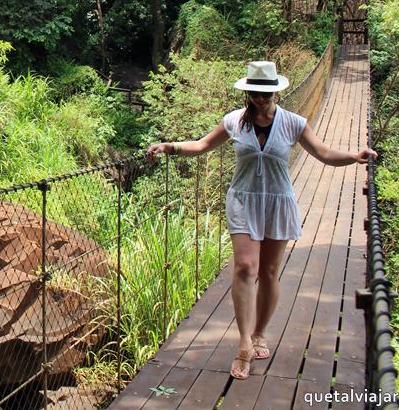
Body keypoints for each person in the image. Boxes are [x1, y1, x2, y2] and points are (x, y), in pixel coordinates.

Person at [146, 60, 377, 380]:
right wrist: (169, 147)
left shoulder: (294, 123)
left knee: (269, 272)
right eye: (255, 92)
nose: (260, 98)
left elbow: (323, 154)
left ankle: (259, 333)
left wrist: (354, 156)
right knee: (245, 267)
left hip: (278, 203)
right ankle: (243, 343)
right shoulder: (234, 122)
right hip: (243, 200)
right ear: (248, 92)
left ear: (276, 92)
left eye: (266, 92)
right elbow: (201, 146)